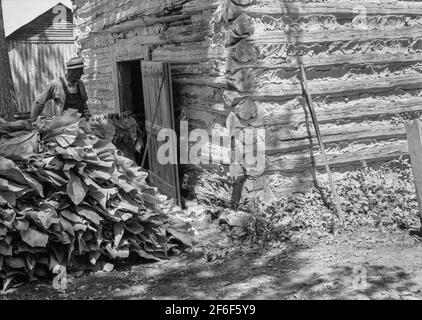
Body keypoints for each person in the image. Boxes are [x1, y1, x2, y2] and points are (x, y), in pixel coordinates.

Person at [30, 57, 91, 122]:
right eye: (81, 70)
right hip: (63, 126)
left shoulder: (80, 84)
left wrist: (86, 113)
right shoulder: (56, 84)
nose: (83, 73)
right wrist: (33, 121)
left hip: (79, 124)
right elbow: (39, 103)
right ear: (73, 71)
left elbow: (83, 102)